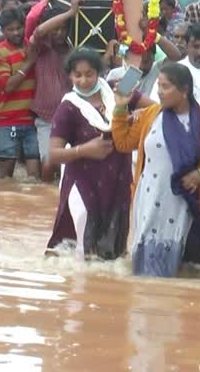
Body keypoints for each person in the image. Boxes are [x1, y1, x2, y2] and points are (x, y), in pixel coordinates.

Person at [112, 62, 200, 277]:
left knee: (189, 269)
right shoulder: (150, 116)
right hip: (150, 201)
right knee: (147, 270)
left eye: (166, 87)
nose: (159, 92)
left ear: (184, 90)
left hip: (189, 204)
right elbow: (123, 143)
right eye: (159, 86)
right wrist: (121, 107)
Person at [45, 49, 153, 260]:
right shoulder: (68, 107)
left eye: (90, 74)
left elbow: (158, 109)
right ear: (70, 76)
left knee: (113, 253)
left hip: (118, 182)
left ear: (100, 74)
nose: (84, 80)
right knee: (80, 250)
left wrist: (137, 116)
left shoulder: (119, 92)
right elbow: (53, 155)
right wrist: (85, 150)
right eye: (78, 75)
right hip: (84, 184)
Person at [31, 0, 81, 179]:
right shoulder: (41, 48)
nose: (59, 33)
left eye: (64, 29)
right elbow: (39, 31)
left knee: (68, 169)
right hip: (46, 119)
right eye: (56, 29)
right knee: (48, 164)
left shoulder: (75, 51)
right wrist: (70, 13)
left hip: (71, 118)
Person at [0, 8, 41, 179]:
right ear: (2, 30)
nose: (15, 33)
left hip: (33, 120)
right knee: (5, 177)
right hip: (7, 120)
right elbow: (7, 86)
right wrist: (28, 63)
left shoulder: (34, 47)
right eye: (10, 29)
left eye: (19, 28)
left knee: (34, 178)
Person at [106, 33, 182, 96]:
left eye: (147, 60)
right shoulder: (115, 74)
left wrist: (154, 35)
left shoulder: (157, 69)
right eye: (139, 56)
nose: (144, 57)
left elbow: (176, 57)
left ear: (153, 57)